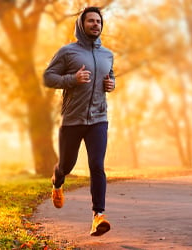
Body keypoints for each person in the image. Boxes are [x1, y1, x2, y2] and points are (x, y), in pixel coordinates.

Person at [43, 6, 115, 237]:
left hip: (98, 119)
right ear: (81, 25)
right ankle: (57, 181)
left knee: (97, 165)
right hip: (72, 119)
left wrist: (111, 84)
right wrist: (72, 79)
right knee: (67, 164)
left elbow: (109, 76)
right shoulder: (67, 52)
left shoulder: (107, 54)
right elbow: (48, 77)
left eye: (99, 21)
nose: (96, 24)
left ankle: (98, 216)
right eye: (91, 21)